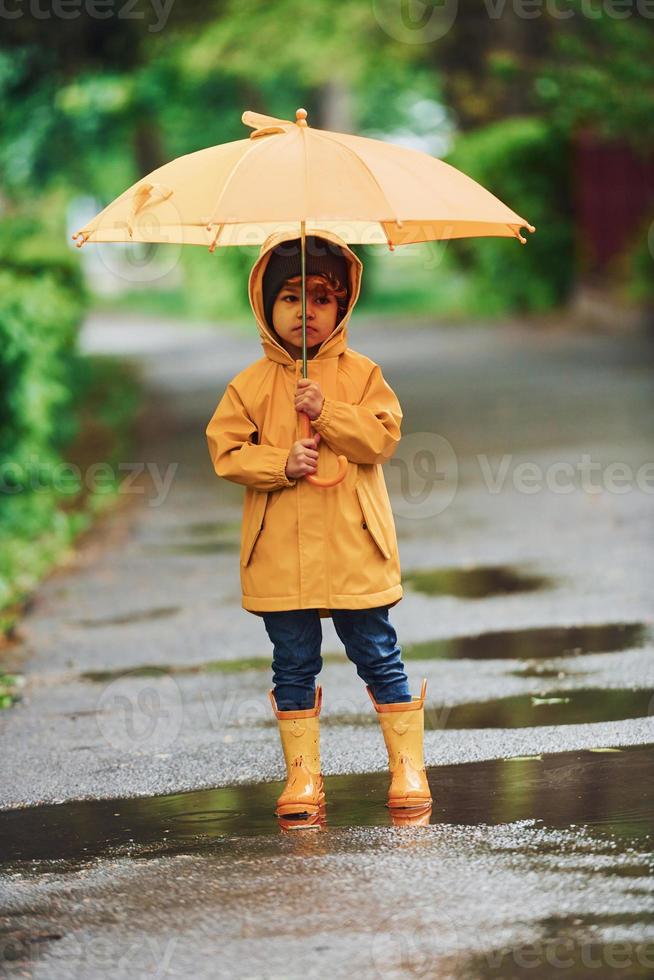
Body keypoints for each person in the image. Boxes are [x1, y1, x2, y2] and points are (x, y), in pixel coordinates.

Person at [205, 231, 431, 823]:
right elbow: (226, 451)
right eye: (290, 298)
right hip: (280, 549)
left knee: (377, 651)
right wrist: (279, 462)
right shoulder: (248, 385)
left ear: (343, 305)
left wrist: (325, 410)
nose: (305, 311)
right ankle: (302, 777)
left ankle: (408, 767)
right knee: (293, 661)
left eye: (321, 298)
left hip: (353, 544)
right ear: (264, 305)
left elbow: (381, 438)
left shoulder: (361, 374)